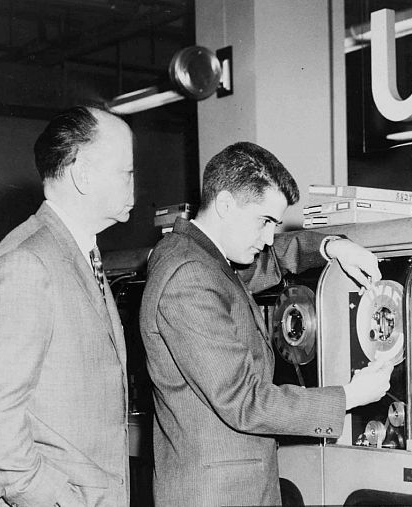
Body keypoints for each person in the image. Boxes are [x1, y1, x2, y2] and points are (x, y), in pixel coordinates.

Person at [139, 141, 392, 506]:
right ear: (225, 204)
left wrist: (332, 247)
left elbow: (271, 261)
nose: (270, 236)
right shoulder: (189, 274)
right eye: (265, 221)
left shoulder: (198, 256)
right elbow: (245, 401)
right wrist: (350, 396)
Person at [0, 106, 134, 506]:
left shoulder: (74, 253)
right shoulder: (27, 262)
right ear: (83, 174)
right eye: (127, 173)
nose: (134, 187)